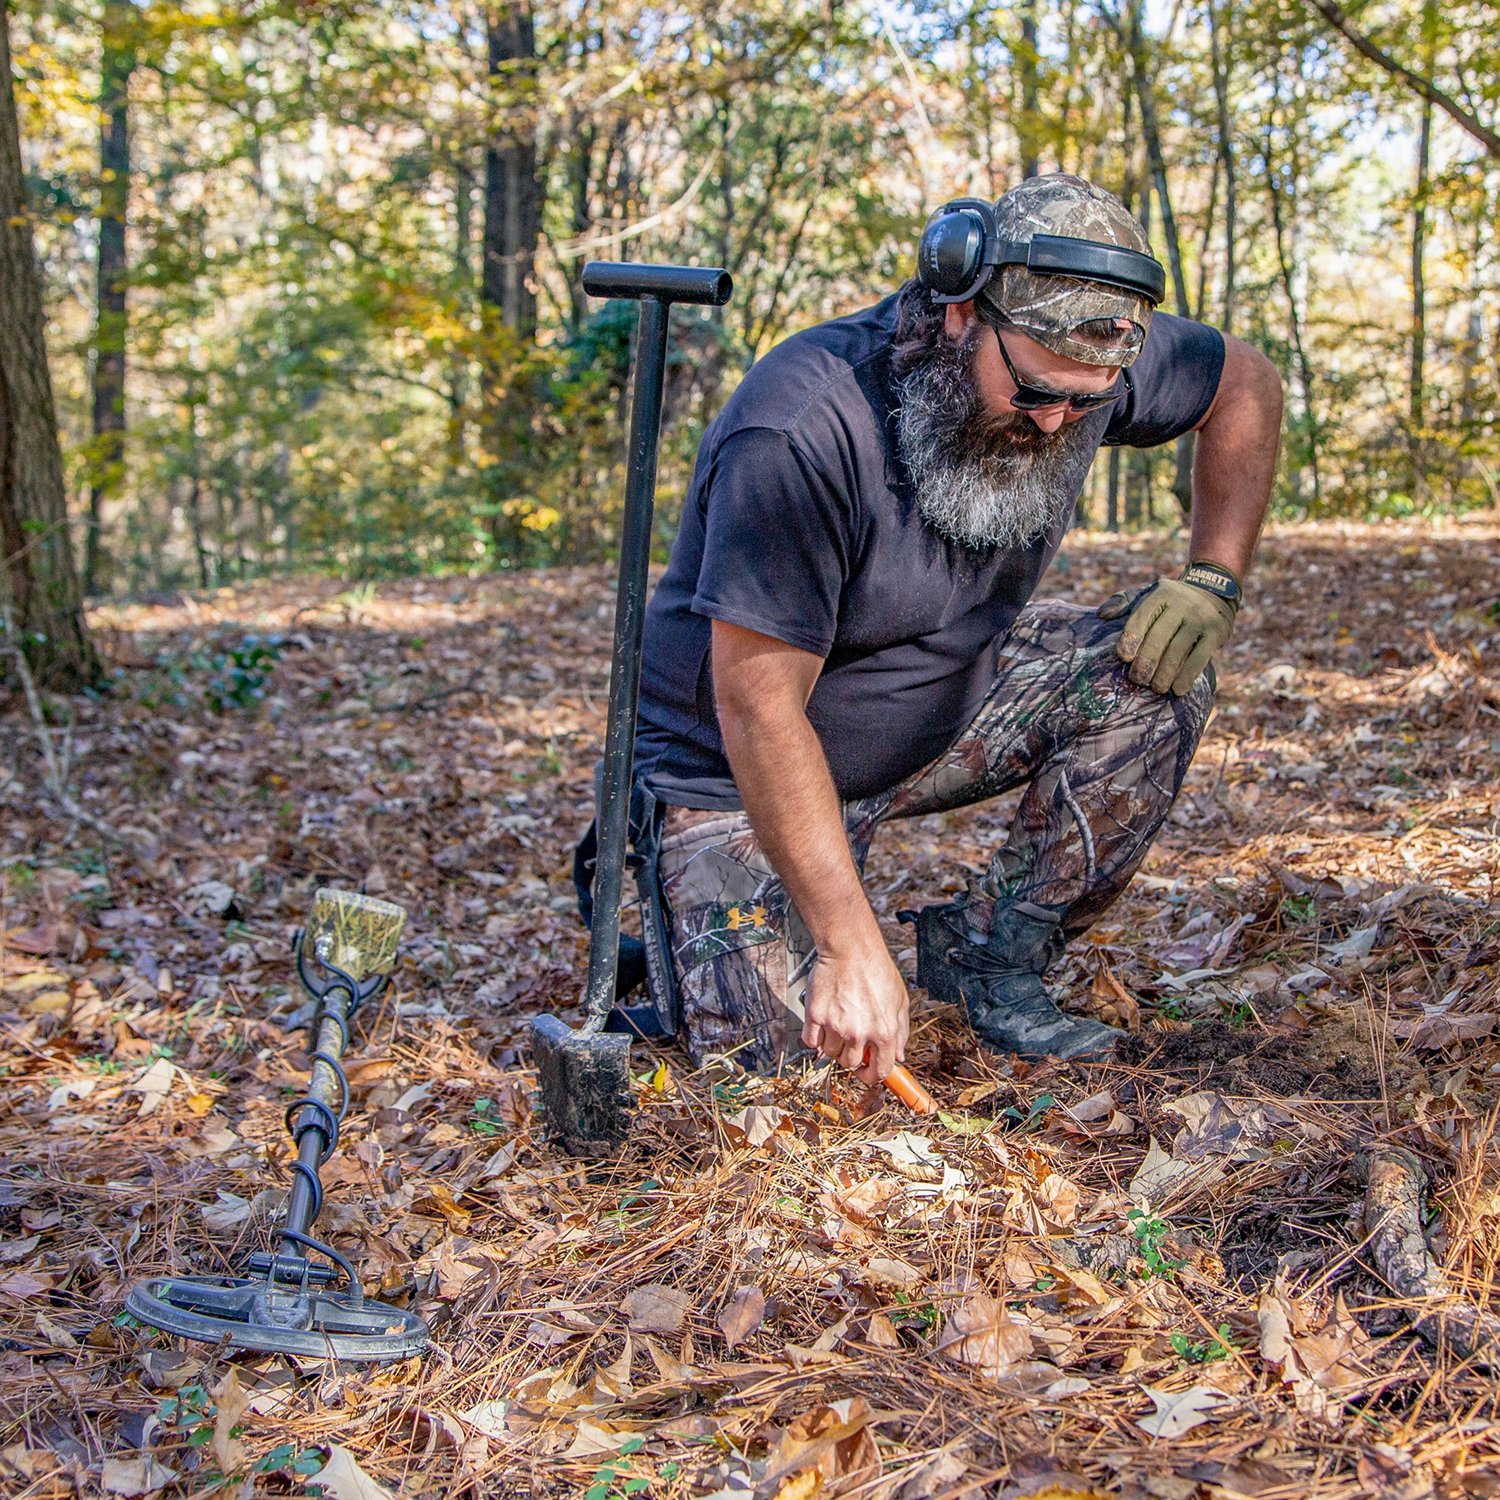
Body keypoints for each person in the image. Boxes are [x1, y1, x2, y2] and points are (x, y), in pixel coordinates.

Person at [580, 173, 1283, 1090]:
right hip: (733, 775)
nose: (1057, 421)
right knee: (806, 1080)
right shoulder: (803, 426)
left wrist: (1212, 578)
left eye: (1088, 403)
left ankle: (992, 955)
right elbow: (756, 709)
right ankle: (703, 927)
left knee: (1159, 672)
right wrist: (845, 937)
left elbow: (1249, 382)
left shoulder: (1081, 366)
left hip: (943, 708)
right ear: (960, 315)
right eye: (1032, 390)